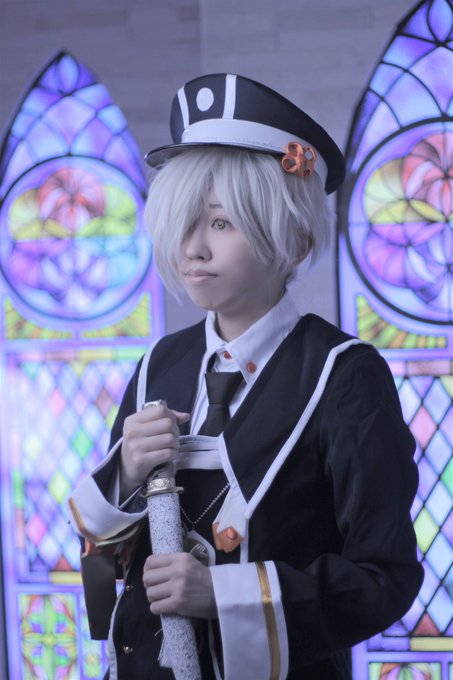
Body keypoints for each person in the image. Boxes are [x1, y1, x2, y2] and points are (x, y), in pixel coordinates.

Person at [67, 73, 423, 680]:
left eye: (221, 223)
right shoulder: (159, 365)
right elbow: (106, 573)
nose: (193, 249)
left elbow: (384, 577)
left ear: (295, 239)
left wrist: (222, 595)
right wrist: (122, 473)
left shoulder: (346, 375)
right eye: (183, 222)